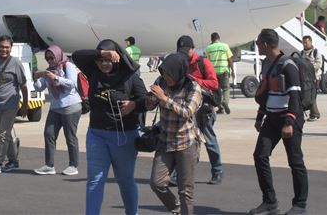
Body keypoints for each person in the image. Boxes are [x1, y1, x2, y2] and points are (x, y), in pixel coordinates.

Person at [73, 40, 146, 215]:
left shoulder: (130, 76)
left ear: (117, 59)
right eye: (100, 60)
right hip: (97, 135)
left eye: (108, 60)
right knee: (95, 180)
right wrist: (103, 53)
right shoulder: (93, 72)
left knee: (125, 180)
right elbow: (77, 55)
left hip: (124, 136)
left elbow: (146, 101)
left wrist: (134, 105)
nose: (104, 64)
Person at [250, 28, 308, 215]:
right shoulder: (267, 64)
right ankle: (269, 202)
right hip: (272, 118)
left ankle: (300, 205)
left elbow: (295, 96)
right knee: (260, 155)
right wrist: (260, 116)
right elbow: (266, 93)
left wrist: (290, 122)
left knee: (295, 161)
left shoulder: (288, 65)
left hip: (289, 118)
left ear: (266, 44)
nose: (257, 46)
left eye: (258, 43)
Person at [147, 53, 203, 215]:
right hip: (165, 141)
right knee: (156, 183)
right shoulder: (161, 81)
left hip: (186, 143)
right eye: (164, 73)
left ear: (179, 72)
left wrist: (165, 99)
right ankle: (176, 208)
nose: (166, 77)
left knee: (185, 190)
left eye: (170, 74)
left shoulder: (193, 87)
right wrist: (151, 98)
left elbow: (187, 111)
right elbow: (149, 104)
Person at [176, 36, 222, 185]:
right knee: (186, 141)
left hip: (204, 108)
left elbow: (214, 84)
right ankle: (179, 174)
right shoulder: (180, 63)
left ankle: (217, 171)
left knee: (209, 138)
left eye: (186, 51)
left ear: (193, 49)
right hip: (188, 108)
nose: (184, 54)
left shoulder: (203, 62)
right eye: (181, 51)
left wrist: (194, 81)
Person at [31, 45, 82, 176]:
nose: (50, 61)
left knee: (70, 137)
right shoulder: (49, 70)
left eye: (52, 58)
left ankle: (73, 165)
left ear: (58, 56)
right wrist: (36, 78)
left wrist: (56, 78)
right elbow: (39, 88)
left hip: (70, 106)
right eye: (47, 58)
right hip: (55, 107)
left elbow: (71, 83)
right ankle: (49, 165)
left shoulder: (68, 66)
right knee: (49, 134)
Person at [0, 35, 28, 174]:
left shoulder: (16, 63)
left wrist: (25, 104)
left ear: (11, 48)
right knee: (6, 135)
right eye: (2, 47)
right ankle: (13, 161)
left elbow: (23, 86)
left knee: (2, 134)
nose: (4, 50)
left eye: (7, 47)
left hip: (11, 104)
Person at [205, 33, 234, 115]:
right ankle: (225, 102)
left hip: (213, 72)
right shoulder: (225, 46)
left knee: (216, 90)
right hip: (224, 70)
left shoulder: (208, 48)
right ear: (219, 38)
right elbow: (230, 59)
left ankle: (220, 107)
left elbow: (207, 61)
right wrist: (233, 71)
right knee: (226, 89)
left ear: (211, 39)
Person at [299, 36, 322, 121]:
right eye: (303, 42)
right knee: (307, 95)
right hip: (305, 79)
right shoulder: (301, 53)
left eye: (306, 42)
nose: (304, 44)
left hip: (314, 78)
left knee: (312, 96)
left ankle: (315, 114)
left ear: (310, 42)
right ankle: (313, 113)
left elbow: (319, 64)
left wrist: (309, 67)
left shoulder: (315, 52)